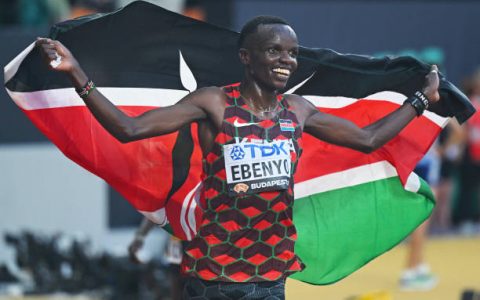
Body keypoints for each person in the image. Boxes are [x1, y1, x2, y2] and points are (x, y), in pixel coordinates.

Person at [36, 16, 440, 299]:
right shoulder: (212, 102)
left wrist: (421, 100)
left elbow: (369, 138)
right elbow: (131, 129)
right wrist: (77, 76)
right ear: (246, 57)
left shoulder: (297, 110)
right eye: (274, 50)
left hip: (269, 276)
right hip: (212, 275)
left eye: (292, 53)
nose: (286, 60)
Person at [128, 217, 186, 300]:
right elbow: (153, 212)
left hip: (200, 245)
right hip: (178, 245)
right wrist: (139, 237)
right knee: (176, 283)